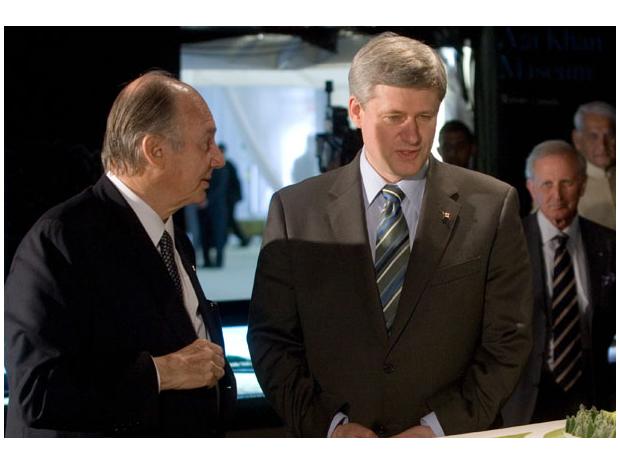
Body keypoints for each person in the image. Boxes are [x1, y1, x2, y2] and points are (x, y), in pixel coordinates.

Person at [247, 32, 532, 438]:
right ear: (356, 111)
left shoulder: (492, 205)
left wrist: (439, 428)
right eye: (395, 117)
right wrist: (330, 427)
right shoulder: (295, 211)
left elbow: (509, 342)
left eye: (425, 117)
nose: (413, 136)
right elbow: (272, 341)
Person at [4, 70, 237, 437]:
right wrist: (162, 373)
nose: (218, 159)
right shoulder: (60, 240)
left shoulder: (173, 236)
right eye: (206, 143)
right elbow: (39, 392)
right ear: (154, 151)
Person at [502, 141, 615, 427]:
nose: (557, 195)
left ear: (583, 184)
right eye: (547, 184)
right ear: (530, 187)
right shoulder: (505, 243)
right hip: (523, 401)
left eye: (567, 183)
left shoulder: (610, 244)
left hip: (595, 398)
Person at [571, 101, 615, 229]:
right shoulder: (565, 182)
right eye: (593, 136)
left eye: (610, 135)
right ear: (577, 140)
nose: (602, 145)